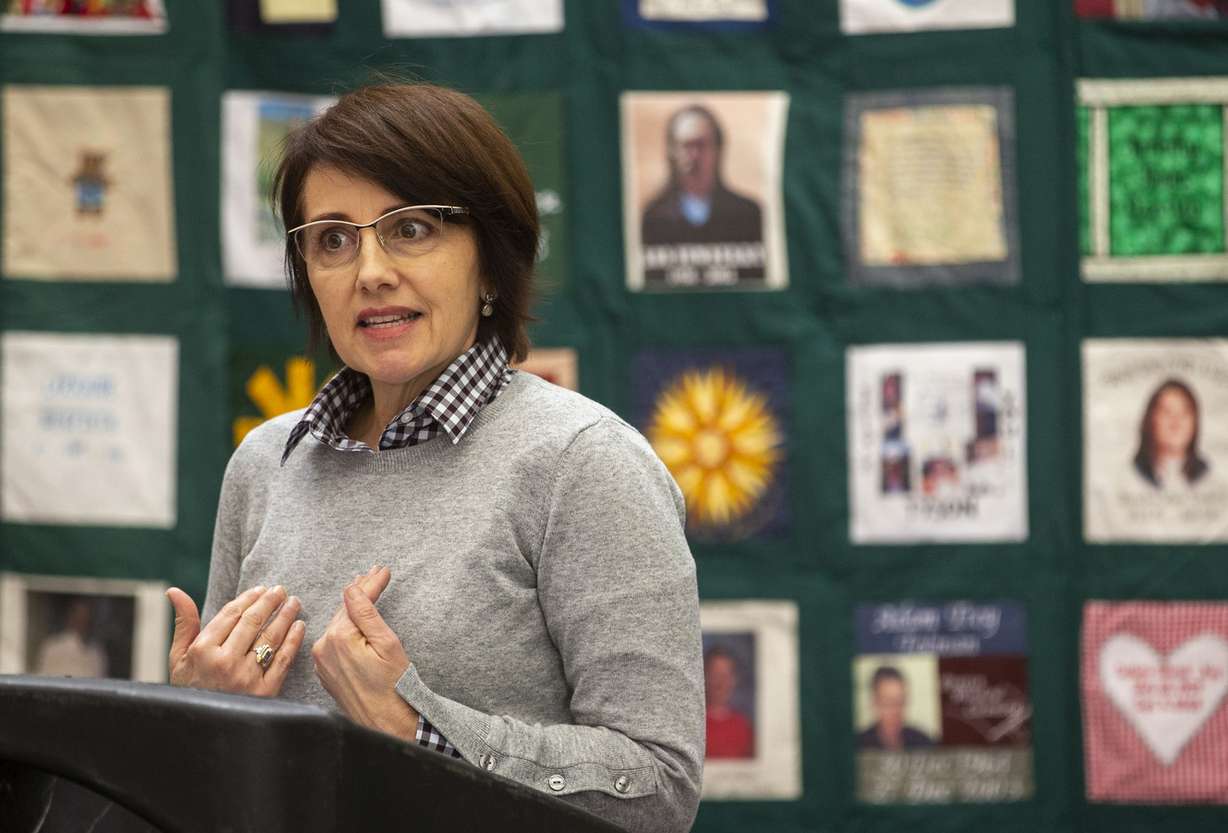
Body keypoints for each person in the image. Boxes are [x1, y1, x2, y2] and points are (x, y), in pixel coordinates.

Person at [164, 81, 703, 833]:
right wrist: (200, 719)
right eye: (333, 239)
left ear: (490, 262)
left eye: (411, 229)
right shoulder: (263, 462)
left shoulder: (584, 462)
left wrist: (418, 728)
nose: (370, 270)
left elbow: (658, 788)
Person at [639, 104, 765, 285]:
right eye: (685, 145)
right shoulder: (653, 216)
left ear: (718, 149)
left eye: (701, 145)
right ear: (671, 151)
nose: (693, 155)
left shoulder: (749, 214)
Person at [1133, 378, 1209, 490]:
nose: (1176, 423)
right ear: (1151, 420)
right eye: (1167, 412)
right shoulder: (1131, 475)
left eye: (1184, 413)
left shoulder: (1211, 477)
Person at [856, 666, 934, 750]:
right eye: (889, 702)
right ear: (874, 703)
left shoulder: (924, 743)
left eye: (901, 701)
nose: (896, 711)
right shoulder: (858, 744)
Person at [35, 595, 107, 678]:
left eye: (85, 618)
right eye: (78, 617)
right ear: (70, 618)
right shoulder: (52, 647)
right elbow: (42, 677)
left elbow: (100, 681)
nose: (81, 623)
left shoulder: (97, 652)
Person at [703, 645, 754, 759]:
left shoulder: (744, 727)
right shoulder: (693, 724)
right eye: (715, 675)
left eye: (726, 675)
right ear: (704, 677)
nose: (721, 682)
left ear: (734, 680)